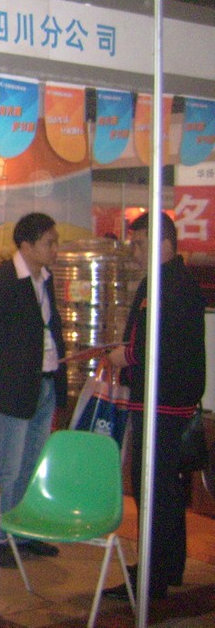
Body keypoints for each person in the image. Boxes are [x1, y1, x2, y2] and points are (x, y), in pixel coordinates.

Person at [103, 212, 206, 602]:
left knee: (152, 487)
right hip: (162, 396)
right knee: (165, 487)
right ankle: (168, 565)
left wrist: (126, 356)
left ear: (164, 243)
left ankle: (153, 574)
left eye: (140, 244)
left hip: (163, 400)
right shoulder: (164, 280)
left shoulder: (172, 284)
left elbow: (160, 343)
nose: (135, 252)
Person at [0, 212, 67, 567]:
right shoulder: (2, 281)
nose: (55, 249)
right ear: (26, 245)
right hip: (12, 389)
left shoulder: (46, 280)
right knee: (7, 465)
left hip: (45, 382)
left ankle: (23, 533)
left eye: (56, 242)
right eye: (49, 243)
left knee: (31, 463)